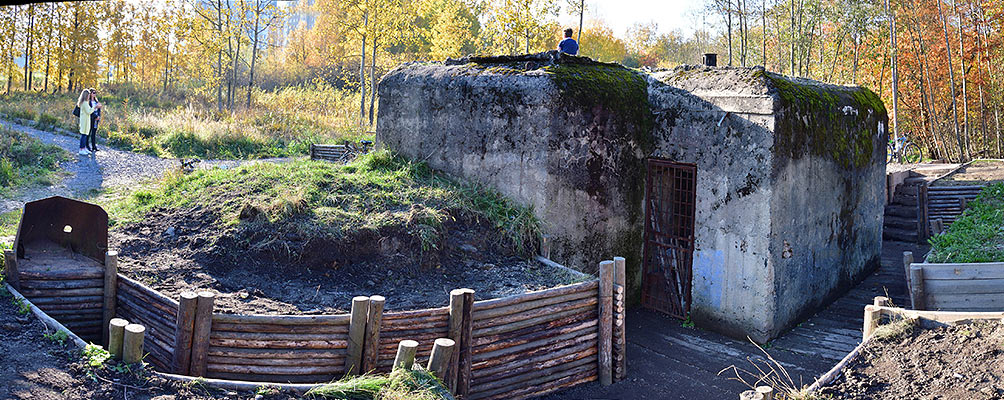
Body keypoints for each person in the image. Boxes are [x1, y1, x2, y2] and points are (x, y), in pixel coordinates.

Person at [76, 89, 95, 156]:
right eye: (88, 95)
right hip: (84, 121)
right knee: (83, 135)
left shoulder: (85, 102)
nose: (89, 97)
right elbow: (89, 111)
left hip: (86, 120)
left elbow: (89, 110)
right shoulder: (84, 103)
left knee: (85, 135)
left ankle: (84, 148)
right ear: (86, 95)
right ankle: (81, 149)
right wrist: (95, 107)